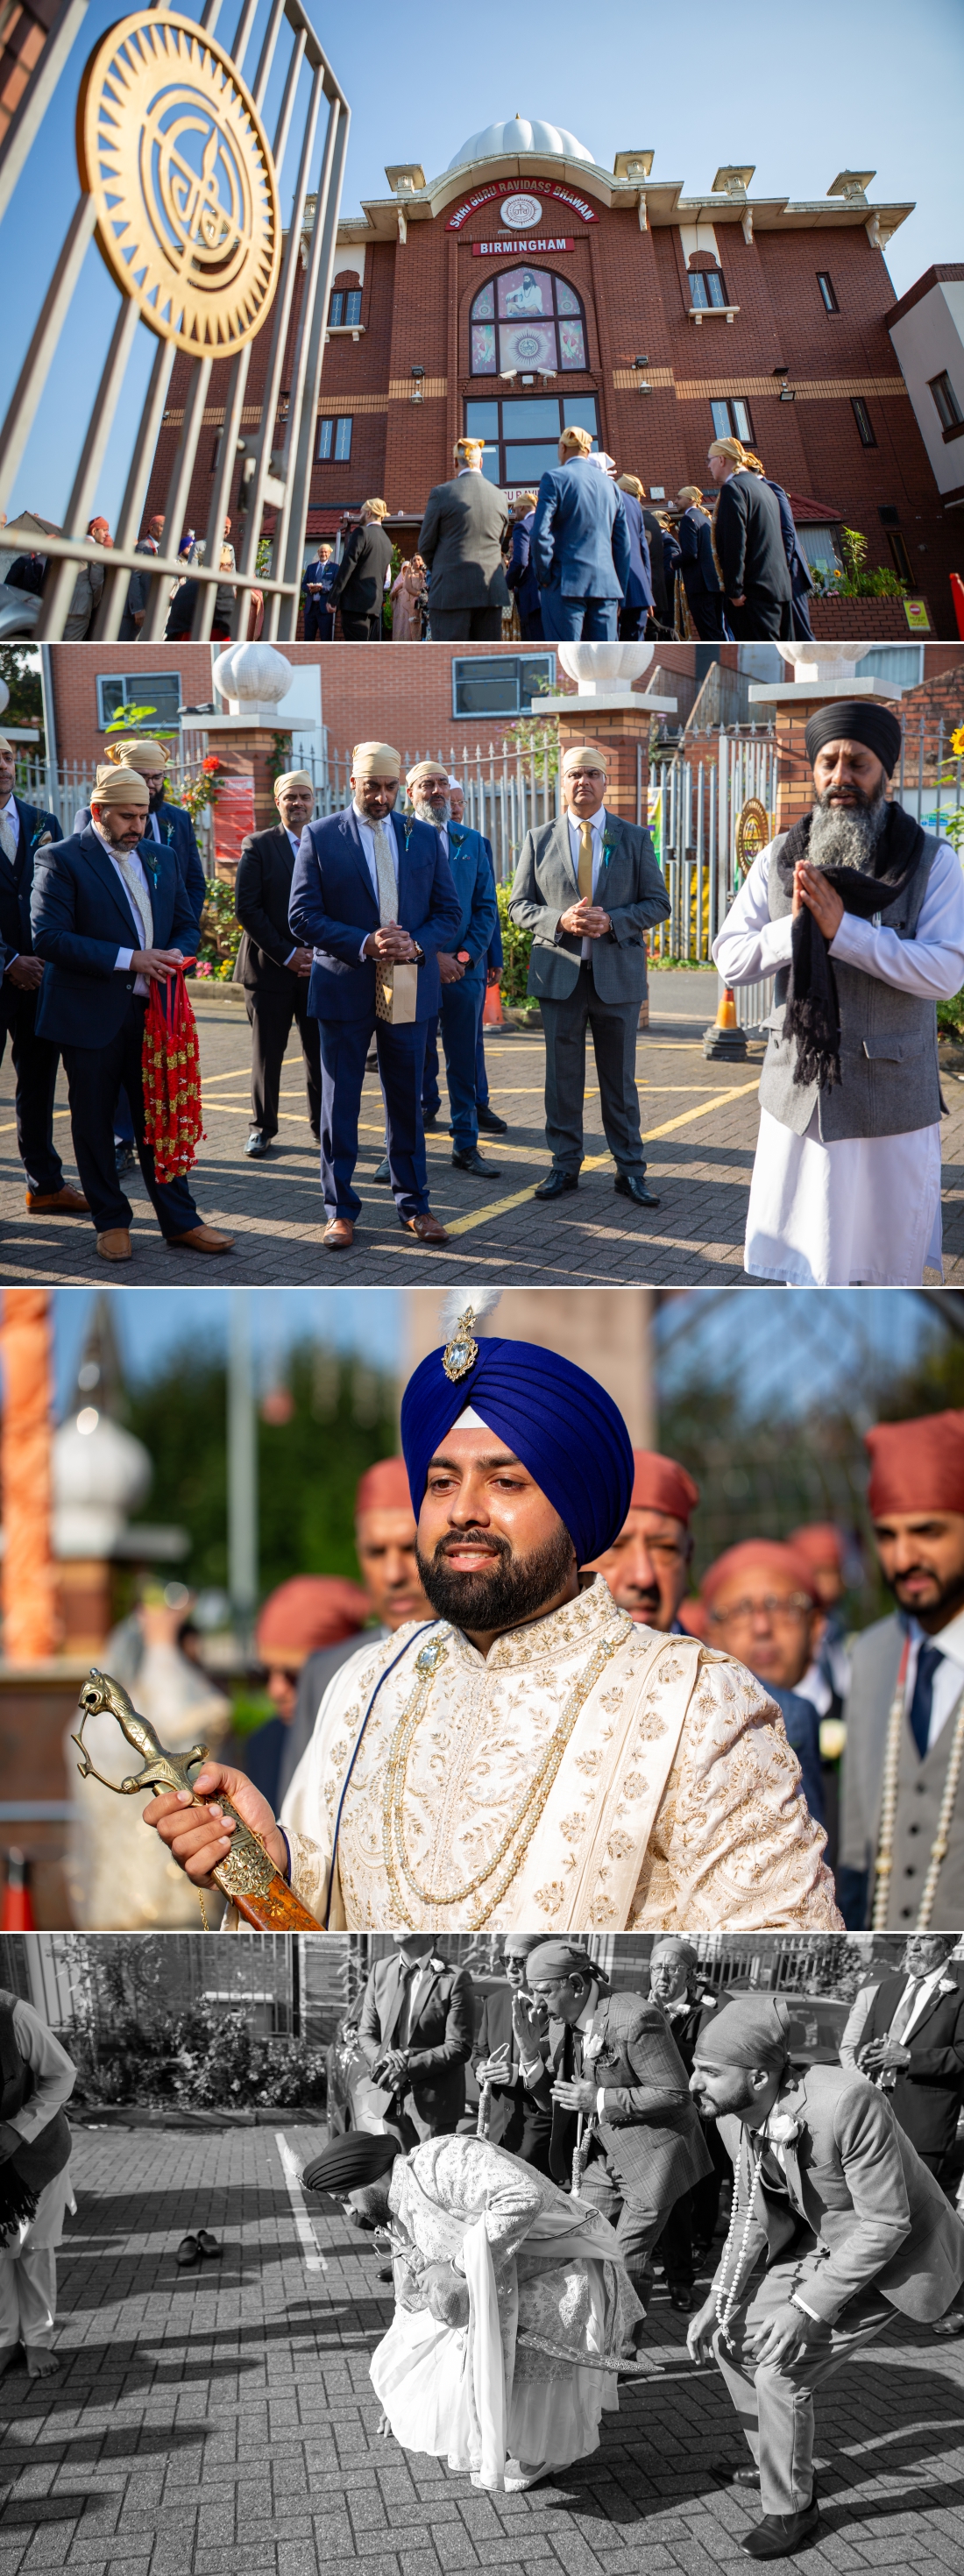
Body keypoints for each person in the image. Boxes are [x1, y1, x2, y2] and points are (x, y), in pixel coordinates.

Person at [145, 1295, 840, 1931]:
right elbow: (320, 1939)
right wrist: (268, 1866)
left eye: (506, 1481)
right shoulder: (366, 1683)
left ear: (577, 1514)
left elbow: (774, 1957)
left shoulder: (698, 1699)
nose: (463, 1510)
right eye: (441, 1482)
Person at [687, 1992, 964, 2559]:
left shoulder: (847, 2102)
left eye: (709, 2071)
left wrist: (804, 2308)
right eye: (697, 2067)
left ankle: (791, 2507)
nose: (694, 2082)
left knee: (780, 2371)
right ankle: (777, 2464)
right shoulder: (733, 2115)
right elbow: (747, 2211)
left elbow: (886, 2224)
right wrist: (718, 2296)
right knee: (730, 2341)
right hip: (822, 2239)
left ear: (760, 2076)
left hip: (896, 2254)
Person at [712, 700, 964, 1286]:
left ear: (886, 772)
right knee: (806, 1259)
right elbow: (729, 957)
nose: (841, 779)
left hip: (891, 1100)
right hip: (800, 1098)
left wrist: (843, 933)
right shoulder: (779, 857)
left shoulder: (932, 862)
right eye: (828, 763)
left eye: (859, 763)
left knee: (882, 1267)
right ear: (813, 769)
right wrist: (794, 927)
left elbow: (946, 972)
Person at [303, 2126, 648, 2493]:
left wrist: (456, 2268)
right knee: (484, 2359)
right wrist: (403, 2395)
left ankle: (546, 2454)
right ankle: (521, 2442)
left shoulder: (441, 2161)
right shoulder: (395, 2209)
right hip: (508, 2279)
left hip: (562, 2269)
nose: (349, 2212)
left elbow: (522, 2196)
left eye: (344, 2198)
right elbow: (413, 2299)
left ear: (369, 2177)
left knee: (532, 2371)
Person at [30, 765, 233, 1263]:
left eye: (143, 816)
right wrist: (132, 959)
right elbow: (49, 938)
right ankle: (111, 1220)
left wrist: (175, 957)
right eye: (126, 817)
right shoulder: (59, 858)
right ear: (98, 812)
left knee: (159, 1121)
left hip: (156, 1015)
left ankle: (180, 1221)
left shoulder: (160, 856)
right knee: (94, 1121)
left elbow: (187, 923)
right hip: (89, 1015)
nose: (137, 827)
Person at [287, 740, 460, 1249]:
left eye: (389, 787)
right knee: (340, 1101)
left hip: (406, 979)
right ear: (353, 784)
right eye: (373, 788)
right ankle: (340, 1209)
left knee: (406, 1096)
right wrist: (364, 942)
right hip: (345, 980)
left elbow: (447, 913)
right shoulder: (320, 836)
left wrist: (416, 943)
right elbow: (301, 916)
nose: (382, 798)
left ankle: (415, 1205)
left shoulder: (423, 836)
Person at [518, 1940, 712, 2333]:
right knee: (578, 2242)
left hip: (654, 2157)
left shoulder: (634, 2018)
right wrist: (527, 2053)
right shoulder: (557, 2020)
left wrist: (602, 2098)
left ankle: (622, 2354)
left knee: (625, 2259)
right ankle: (588, 2331)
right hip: (602, 2157)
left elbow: (676, 2094)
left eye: (542, 1992)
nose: (537, 2005)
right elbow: (550, 2102)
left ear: (574, 1983)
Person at [509, 739, 670, 1209]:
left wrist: (614, 921)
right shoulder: (539, 839)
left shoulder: (634, 838)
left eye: (592, 774)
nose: (583, 782)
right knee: (561, 1079)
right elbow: (519, 906)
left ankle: (630, 1171)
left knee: (620, 1081)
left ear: (606, 783)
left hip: (616, 977)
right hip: (560, 976)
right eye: (574, 775)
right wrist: (560, 920)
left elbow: (659, 903)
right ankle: (564, 1166)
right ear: (563, 785)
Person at [840, 1409, 964, 1931]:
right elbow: (854, 1837)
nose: (904, 1556)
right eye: (887, 1536)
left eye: (928, 1532)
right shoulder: (871, 1654)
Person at [65, 1590, 232, 1928]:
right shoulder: (136, 1722)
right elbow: (192, 1720)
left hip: (110, 1904)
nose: (196, 1673)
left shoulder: (101, 1728)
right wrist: (162, 1643)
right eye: (189, 1662)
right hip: (172, 1909)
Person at [278, 1454, 431, 1804]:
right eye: (376, 1552)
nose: (393, 1574)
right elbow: (293, 1824)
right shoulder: (325, 1673)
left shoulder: (489, 1652)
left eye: (410, 1548)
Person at [373, 761, 499, 1183]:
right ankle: (398, 1152)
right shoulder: (394, 840)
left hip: (464, 973)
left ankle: (466, 1145)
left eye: (443, 783)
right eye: (427, 784)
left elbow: (485, 909)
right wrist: (430, 955)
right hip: (409, 969)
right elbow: (390, 907)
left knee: (464, 1061)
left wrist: (463, 958)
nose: (437, 791)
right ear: (410, 793)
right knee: (404, 1062)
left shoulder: (473, 841)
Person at [0, 733, 87, 1216]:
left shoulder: (43, 822)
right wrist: (9, 961)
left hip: (40, 980)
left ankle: (45, 1184)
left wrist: (43, 960)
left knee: (38, 1087)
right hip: (8, 972)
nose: (3, 766)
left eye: (8, 757)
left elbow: (60, 898)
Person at [700, 1540, 826, 1827]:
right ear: (712, 1635)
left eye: (782, 1607)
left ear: (816, 1624)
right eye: (740, 1611)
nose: (762, 1628)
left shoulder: (866, 1717)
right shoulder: (702, 1739)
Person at [234, 768, 323, 1160]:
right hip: (269, 971)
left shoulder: (325, 843)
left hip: (317, 970)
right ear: (278, 801)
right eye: (291, 797)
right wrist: (287, 955)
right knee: (267, 1055)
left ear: (313, 801)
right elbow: (247, 910)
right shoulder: (258, 845)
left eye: (304, 796)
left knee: (320, 1052)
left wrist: (318, 954)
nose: (298, 803)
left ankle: (324, 1127)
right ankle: (262, 1128)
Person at [648, 1939, 734, 2296]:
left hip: (693, 2118)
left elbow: (698, 2066)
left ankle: (689, 2257)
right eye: (657, 1968)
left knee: (695, 2192)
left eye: (673, 1968)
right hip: (650, 2119)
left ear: (689, 1974)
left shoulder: (708, 2016)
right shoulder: (637, 2008)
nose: (663, 1976)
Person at [240, 1575, 370, 1810]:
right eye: (265, 1674)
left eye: (295, 1676)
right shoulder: (265, 1744)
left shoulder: (377, 1741)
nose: (276, 1690)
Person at [0, 1990, 74, 2381]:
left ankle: (39, 2340)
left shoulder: (13, 2014)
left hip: (36, 2152)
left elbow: (62, 2073)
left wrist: (18, 2128)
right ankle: (5, 2341)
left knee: (32, 2247)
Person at [854, 1932, 964, 2182]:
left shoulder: (960, 1987)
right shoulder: (888, 1987)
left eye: (926, 1938)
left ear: (947, 1947)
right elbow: (863, 2042)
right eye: (911, 1937)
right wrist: (866, 2053)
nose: (913, 1946)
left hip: (924, 2125)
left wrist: (909, 2058)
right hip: (873, 2115)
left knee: (914, 2209)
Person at [357, 1933, 475, 2145]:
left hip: (434, 2102)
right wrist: (386, 2061)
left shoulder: (455, 1977)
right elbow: (366, 2034)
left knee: (432, 2176)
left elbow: (459, 2046)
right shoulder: (380, 1970)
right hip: (388, 2094)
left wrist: (407, 2067)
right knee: (398, 2173)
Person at [75, 738, 206, 923]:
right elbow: (83, 878)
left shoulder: (179, 818)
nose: (151, 784)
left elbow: (194, 882)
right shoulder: (91, 817)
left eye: (157, 777)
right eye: (143, 777)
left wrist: (186, 927)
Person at [458, 1936, 551, 2169]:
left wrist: (516, 2075)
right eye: (506, 1959)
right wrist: (480, 2068)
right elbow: (480, 2051)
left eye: (520, 1961)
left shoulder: (556, 2007)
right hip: (495, 2128)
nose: (511, 1968)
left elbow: (561, 2073)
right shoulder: (495, 2001)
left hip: (538, 2131)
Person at [445, 779, 506, 1136]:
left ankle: (477, 1106)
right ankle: (426, 1106)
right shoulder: (406, 839)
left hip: (471, 962)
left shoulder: (476, 842)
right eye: (449, 801)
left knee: (469, 1045)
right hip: (422, 964)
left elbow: (488, 906)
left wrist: (487, 956)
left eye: (459, 801)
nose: (454, 807)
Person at [531, 427, 630, 641]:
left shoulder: (554, 478)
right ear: (588, 450)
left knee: (568, 661)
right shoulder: (611, 486)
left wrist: (544, 576)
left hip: (564, 583)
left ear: (562, 447)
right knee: (605, 662)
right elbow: (622, 543)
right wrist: (619, 589)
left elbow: (539, 533)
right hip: (606, 587)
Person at [587, 1447, 698, 1631]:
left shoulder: (708, 1661)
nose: (643, 1577)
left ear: (688, 1559)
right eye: (614, 1547)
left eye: (665, 1549)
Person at [417, 440, 511, 642]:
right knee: (486, 659)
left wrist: (443, 567)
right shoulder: (500, 497)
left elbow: (425, 544)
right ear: (481, 462)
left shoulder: (441, 494)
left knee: (450, 659)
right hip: (490, 591)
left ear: (454, 462)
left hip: (450, 592)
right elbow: (499, 541)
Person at [707, 439, 793, 641]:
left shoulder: (733, 489)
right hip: (780, 589)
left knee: (761, 659)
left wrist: (734, 590)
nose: (708, 465)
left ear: (721, 460)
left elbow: (735, 543)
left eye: (709, 460)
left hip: (752, 596)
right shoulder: (764, 487)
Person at [743, 456, 814, 642]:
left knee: (800, 633)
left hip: (790, 573)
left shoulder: (772, 488)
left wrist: (784, 566)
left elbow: (787, 531)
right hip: (775, 576)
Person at [329, 500, 393, 640]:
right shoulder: (387, 541)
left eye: (362, 512)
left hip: (354, 605)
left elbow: (347, 565)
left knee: (355, 653)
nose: (360, 515)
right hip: (374, 606)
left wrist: (333, 597)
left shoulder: (362, 533)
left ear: (369, 513)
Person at [673, 485, 727, 640]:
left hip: (700, 586)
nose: (675, 501)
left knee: (708, 632)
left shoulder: (688, 520)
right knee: (717, 630)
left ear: (691, 499)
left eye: (679, 498)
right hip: (714, 584)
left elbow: (691, 553)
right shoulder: (706, 519)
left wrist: (674, 562)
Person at [612, 476, 654, 641]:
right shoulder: (635, 505)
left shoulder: (602, 497)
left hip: (612, 589)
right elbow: (644, 551)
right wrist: (647, 592)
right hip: (639, 589)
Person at [119, 515, 165, 639]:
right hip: (136, 613)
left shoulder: (161, 550)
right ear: (151, 528)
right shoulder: (143, 546)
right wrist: (137, 609)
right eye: (162, 526)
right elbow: (134, 577)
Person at [505, 495, 542, 639]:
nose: (514, 513)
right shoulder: (548, 524)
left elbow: (520, 561)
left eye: (515, 509)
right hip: (550, 596)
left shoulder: (523, 526)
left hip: (531, 597)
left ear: (521, 507)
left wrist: (506, 584)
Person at [302, 545, 337, 642]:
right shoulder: (310, 567)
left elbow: (336, 586)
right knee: (308, 639)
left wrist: (323, 588)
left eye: (326, 552)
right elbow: (303, 584)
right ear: (318, 553)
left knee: (326, 638)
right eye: (321, 552)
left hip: (324, 608)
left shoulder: (334, 568)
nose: (323, 554)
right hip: (311, 608)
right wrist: (310, 590)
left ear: (330, 553)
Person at [390, 554, 428, 641]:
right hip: (404, 613)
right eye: (405, 570)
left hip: (419, 609)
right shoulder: (402, 581)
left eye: (419, 560)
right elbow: (392, 597)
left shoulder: (423, 574)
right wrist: (398, 588)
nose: (416, 562)